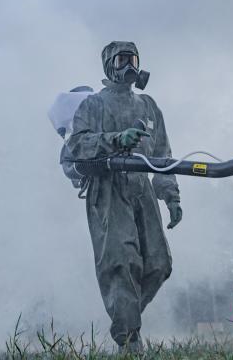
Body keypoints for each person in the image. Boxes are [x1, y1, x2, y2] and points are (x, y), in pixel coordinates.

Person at [66, 41, 182, 352]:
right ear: (109, 66)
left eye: (133, 60)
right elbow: (77, 145)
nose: (129, 66)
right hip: (108, 188)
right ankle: (129, 340)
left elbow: (163, 155)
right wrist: (116, 139)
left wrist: (171, 196)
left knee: (159, 262)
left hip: (142, 188)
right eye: (122, 60)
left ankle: (125, 318)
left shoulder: (148, 106)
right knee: (121, 263)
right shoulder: (93, 105)